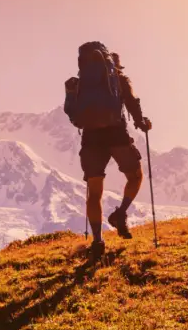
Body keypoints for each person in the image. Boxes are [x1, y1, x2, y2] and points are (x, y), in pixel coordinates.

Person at [64, 42, 152, 257]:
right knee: (135, 176)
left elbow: (71, 113)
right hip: (116, 134)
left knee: (95, 193)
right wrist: (141, 122)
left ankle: (97, 241)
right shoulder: (118, 79)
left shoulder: (77, 84)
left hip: (91, 138)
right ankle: (120, 213)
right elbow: (132, 102)